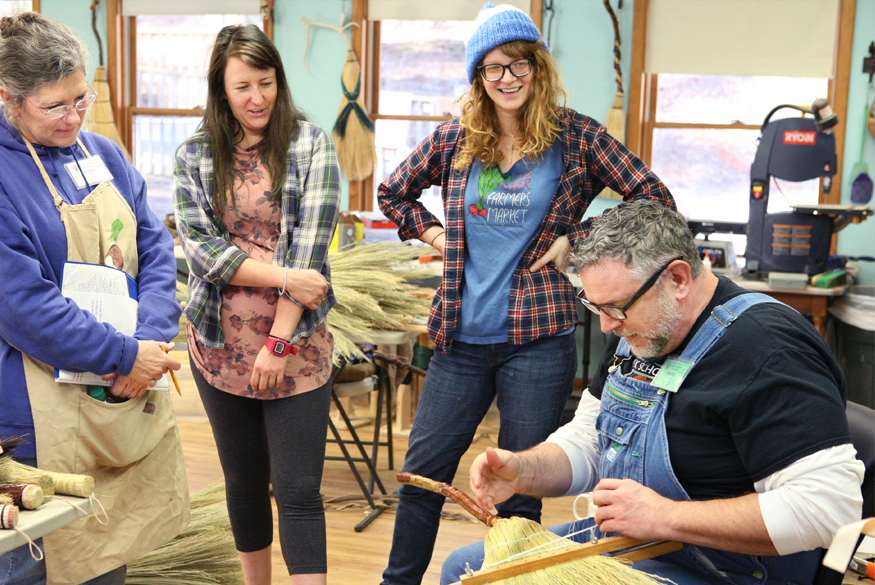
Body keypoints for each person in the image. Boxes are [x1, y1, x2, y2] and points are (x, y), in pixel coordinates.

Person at [376, 5, 674, 584]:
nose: (506, 78)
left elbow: (652, 199)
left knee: (521, 489)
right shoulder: (456, 139)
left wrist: (576, 239)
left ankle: (514, 580)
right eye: (492, 68)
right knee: (422, 477)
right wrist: (433, 232)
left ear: (536, 67)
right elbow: (393, 194)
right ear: (478, 79)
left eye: (517, 63)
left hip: (537, 343)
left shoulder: (576, 136)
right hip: (459, 339)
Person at [443, 199, 864, 585]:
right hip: (639, 542)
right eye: (596, 308)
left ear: (677, 279)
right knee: (462, 568)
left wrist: (666, 516)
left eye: (616, 309)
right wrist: (525, 469)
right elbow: (593, 436)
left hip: (730, 569)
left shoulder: (768, 349)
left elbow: (829, 508)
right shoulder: (642, 328)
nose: (607, 326)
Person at [0, 12, 188, 585]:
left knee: (106, 554)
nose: (74, 117)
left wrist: (150, 340)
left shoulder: (98, 152)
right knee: (37, 565)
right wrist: (123, 357)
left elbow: (152, 246)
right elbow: (20, 305)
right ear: (9, 98)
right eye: (55, 106)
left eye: (82, 98)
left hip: (118, 392)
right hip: (35, 407)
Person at [172, 24, 339, 585]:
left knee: (296, 490)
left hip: (295, 350)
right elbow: (201, 251)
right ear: (222, 91)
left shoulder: (310, 144)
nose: (256, 98)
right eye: (242, 86)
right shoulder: (195, 154)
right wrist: (284, 273)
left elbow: (310, 254)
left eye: (265, 82)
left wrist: (278, 342)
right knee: (242, 482)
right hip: (217, 350)